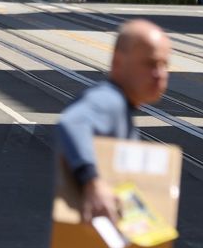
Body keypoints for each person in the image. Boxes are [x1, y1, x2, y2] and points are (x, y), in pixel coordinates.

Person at [55, 19, 171, 223]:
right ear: (118, 62)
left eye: (164, 65)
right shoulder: (109, 100)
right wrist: (93, 183)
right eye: (150, 64)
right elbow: (73, 122)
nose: (159, 75)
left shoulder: (121, 105)